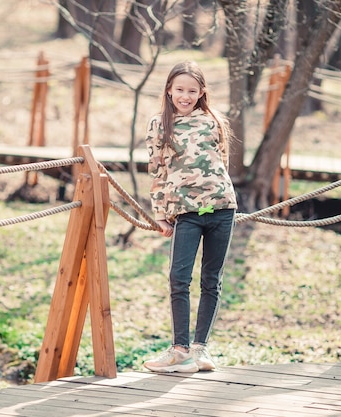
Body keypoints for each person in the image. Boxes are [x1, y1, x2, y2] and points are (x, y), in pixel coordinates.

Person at [143, 61, 237, 373]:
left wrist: (222, 196)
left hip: (221, 209)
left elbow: (221, 163)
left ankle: (200, 349)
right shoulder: (160, 125)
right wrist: (161, 216)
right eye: (180, 89)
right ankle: (180, 349)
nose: (185, 96)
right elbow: (157, 170)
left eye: (192, 90)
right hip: (187, 212)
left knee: (212, 279)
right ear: (169, 90)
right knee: (178, 278)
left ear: (202, 93)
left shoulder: (213, 121)